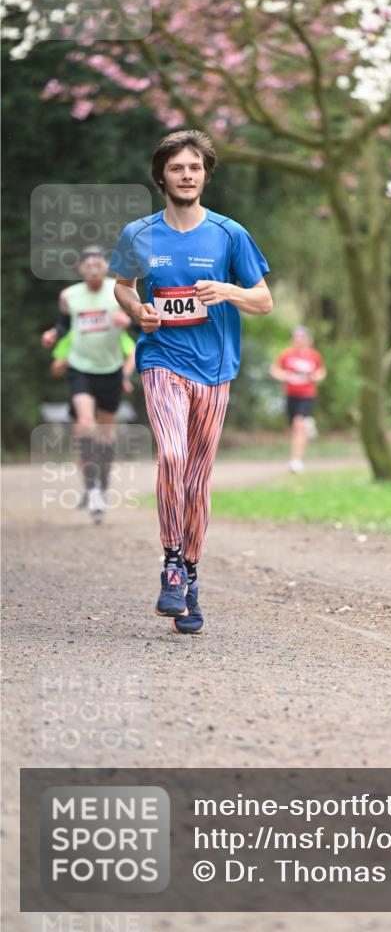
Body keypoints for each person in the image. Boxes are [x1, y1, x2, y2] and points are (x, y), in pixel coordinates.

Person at [111, 129, 273, 635]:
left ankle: (193, 577)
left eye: (195, 168)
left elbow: (264, 300)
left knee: (198, 479)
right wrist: (138, 310)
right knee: (173, 455)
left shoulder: (230, 235)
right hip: (162, 360)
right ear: (162, 175)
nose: (187, 176)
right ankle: (172, 563)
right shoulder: (139, 233)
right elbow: (123, 285)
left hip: (216, 370)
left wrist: (226, 289)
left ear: (205, 175)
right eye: (177, 168)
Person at [41, 247, 134, 522]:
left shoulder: (119, 291)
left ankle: (101, 487)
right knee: (84, 425)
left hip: (112, 370)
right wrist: (52, 335)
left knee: (106, 437)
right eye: (88, 264)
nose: (94, 268)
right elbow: (64, 325)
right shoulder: (69, 296)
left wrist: (127, 321)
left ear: (107, 266)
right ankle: (91, 488)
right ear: (80, 269)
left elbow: (140, 327)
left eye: (99, 262)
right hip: (81, 369)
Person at [270, 326, 326, 473]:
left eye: (302, 338)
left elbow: (321, 371)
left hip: (307, 395)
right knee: (294, 428)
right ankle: (309, 425)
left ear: (308, 340)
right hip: (291, 395)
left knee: (298, 425)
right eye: (296, 338)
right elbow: (275, 370)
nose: (299, 341)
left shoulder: (314, 355)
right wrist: (284, 375)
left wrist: (316, 376)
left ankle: (296, 460)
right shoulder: (287, 354)